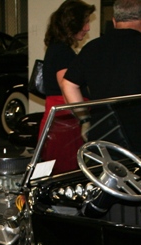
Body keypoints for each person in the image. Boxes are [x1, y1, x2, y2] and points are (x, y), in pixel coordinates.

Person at [62, 0, 141, 164]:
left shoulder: (92, 47)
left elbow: (68, 84)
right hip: (138, 140)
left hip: (101, 136)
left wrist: (84, 119)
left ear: (114, 21)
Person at [38, 0, 95, 173]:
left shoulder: (57, 49)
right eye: (85, 22)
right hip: (65, 123)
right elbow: (67, 87)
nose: (87, 28)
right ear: (72, 24)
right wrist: (84, 119)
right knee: (64, 173)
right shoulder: (62, 52)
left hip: (61, 120)